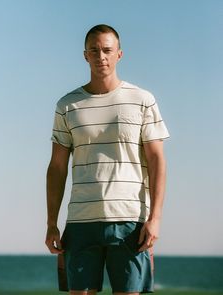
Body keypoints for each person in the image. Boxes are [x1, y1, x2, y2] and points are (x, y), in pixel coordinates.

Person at [45, 24, 169, 294]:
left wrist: (155, 218)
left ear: (119, 54)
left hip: (130, 221)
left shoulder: (142, 100)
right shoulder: (67, 105)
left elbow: (158, 159)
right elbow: (56, 167)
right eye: (94, 50)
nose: (101, 56)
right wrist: (51, 223)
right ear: (85, 55)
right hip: (80, 221)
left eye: (107, 50)